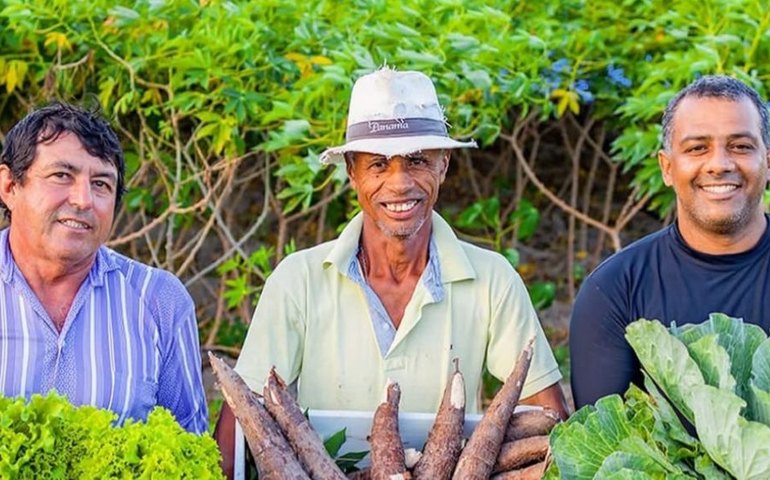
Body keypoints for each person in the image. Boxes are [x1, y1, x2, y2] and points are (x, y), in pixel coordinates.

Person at [214, 68, 568, 476]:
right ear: (352, 171)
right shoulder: (298, 281)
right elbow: (240, 426)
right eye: (379, 165)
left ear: (443, 165)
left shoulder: (493, 280)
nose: (399, 183)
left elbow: (549, 422)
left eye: (417, 161)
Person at [0, 102, 208, 433]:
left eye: (101, 184)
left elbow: (189, 452)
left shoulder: (160, 302)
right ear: (10, 186)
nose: (84, 200)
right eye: (61, 175)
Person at [570, 75, 770, 409]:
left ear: (767, 161)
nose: (719, 164)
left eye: (740, 146)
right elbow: (604, 442)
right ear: (667, 167)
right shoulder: (616, 290)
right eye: (697, 148)